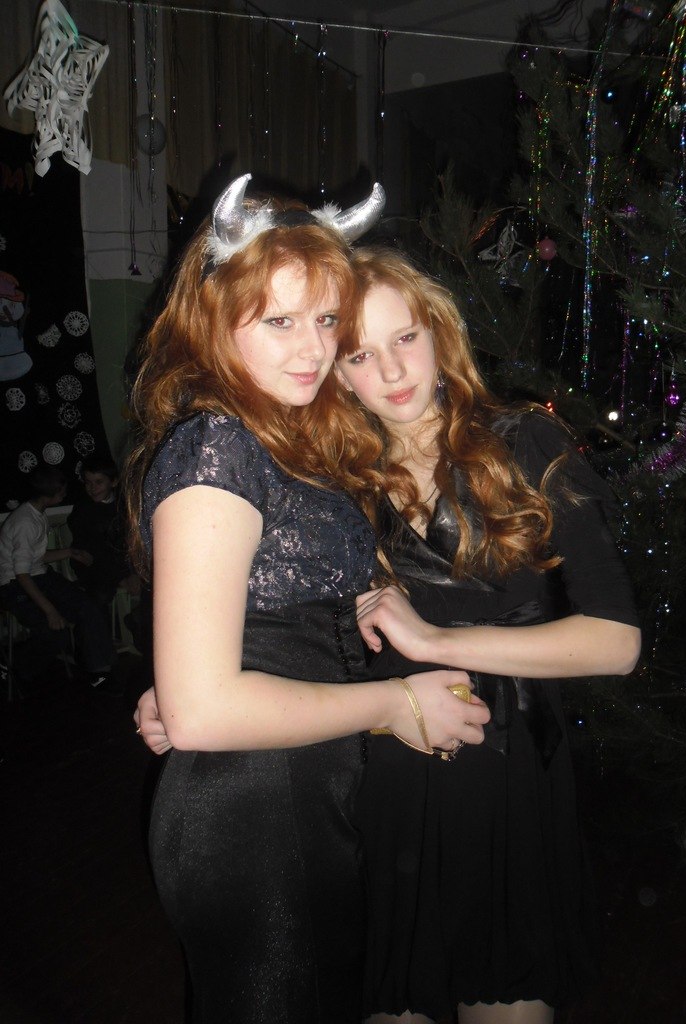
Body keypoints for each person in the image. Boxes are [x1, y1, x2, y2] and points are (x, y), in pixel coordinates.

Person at [125, 175, 489, 1024]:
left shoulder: (284, 436)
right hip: (254, 811)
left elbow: (257, 624)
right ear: (214, 316)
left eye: (326, 320)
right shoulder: (216, 446)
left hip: (305, 786)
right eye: (279, 321)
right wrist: (395, 704)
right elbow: (206, 712)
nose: (313, 349)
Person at [329, 248, 641, 1024]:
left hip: (508, 774)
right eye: (360, 355)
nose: (391, 371)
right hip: (389, 771)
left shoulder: (524, 442)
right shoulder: (337, 479)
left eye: (405, 338)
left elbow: (616, 641)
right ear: (337, 374)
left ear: (438, 332)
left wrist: (437, 642)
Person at [0, 465, 116, 688]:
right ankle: (12, 669)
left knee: (87, 607)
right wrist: (51, 611)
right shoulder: (25, 522)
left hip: (39, 575)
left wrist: (71, 552)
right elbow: (22, 574)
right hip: (15, 585)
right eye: (62, 490)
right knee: (55, 632)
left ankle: (99, 672)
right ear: (51, 494)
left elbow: (36, 556)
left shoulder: (36, 513)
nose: (65, 493)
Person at [67, 454, 140, 608]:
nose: (92, 488)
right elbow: (93, 551)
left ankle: (136, 618)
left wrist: (132, 572)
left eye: (98, 482)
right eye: (88, 483)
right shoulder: (83, 511)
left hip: (120, 562)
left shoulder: (123, 505)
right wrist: (121, 577)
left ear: (113, 482)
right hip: (92, 565)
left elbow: (131, 541)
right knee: (100, 595)